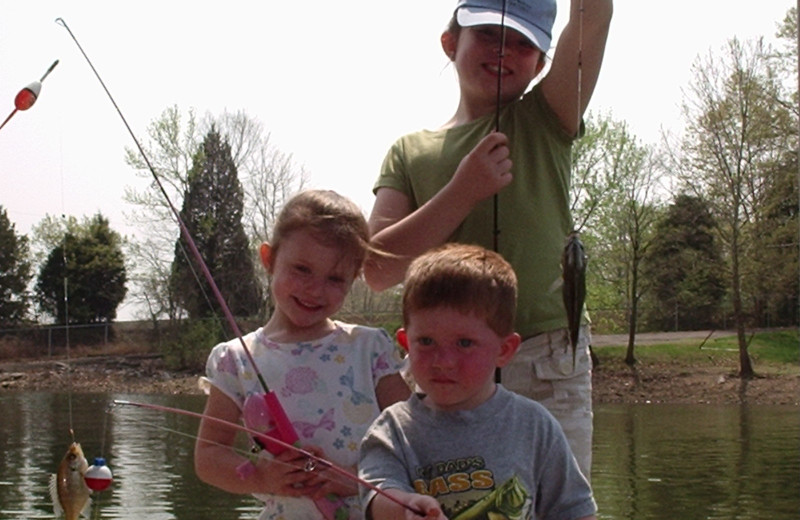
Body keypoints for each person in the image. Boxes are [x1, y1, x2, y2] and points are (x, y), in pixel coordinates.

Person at [364, 0, 612, 479]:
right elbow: (376, 269)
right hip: (440, 364)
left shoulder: (549, 114)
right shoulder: (409, 151)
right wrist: (463, 191)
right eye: (489, 35)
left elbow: (594, 14)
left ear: (543, 63)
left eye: (524, 43)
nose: (505, 51)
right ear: (450, 43)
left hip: (546, 361)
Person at [194, 190, 411, 520]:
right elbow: (209, 455)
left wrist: (354, 478)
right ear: (269, 259)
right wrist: (263, 476)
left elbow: (414, 441)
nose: (315, 289)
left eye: (335, 278)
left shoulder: (369, 349)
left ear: (354, 279)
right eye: (302, 269)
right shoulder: (234, 359)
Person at [358, 243, 597, 520]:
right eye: (426, 342)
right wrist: (406, 508)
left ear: (504, 350)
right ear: (405, 344)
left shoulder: (535, 425)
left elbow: (574, 510)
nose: (443, 361)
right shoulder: (391, 430)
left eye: (464, 343)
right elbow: (377, 496)